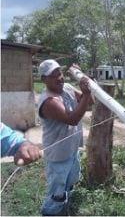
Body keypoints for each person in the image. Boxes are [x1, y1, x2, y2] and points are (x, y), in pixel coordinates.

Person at [37, 59, 93, 215]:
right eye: (53, 75)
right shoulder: (49, 102)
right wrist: (86, 94)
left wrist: (83, 80)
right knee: (57, 192)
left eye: (59, 73)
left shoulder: (67, 88)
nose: (59, 78)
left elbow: (90, 102)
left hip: (72, 150)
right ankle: (50, 212)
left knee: (71, 182)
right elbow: (72, 119)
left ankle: (64, 207)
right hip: (58, 155)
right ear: (43, 80)